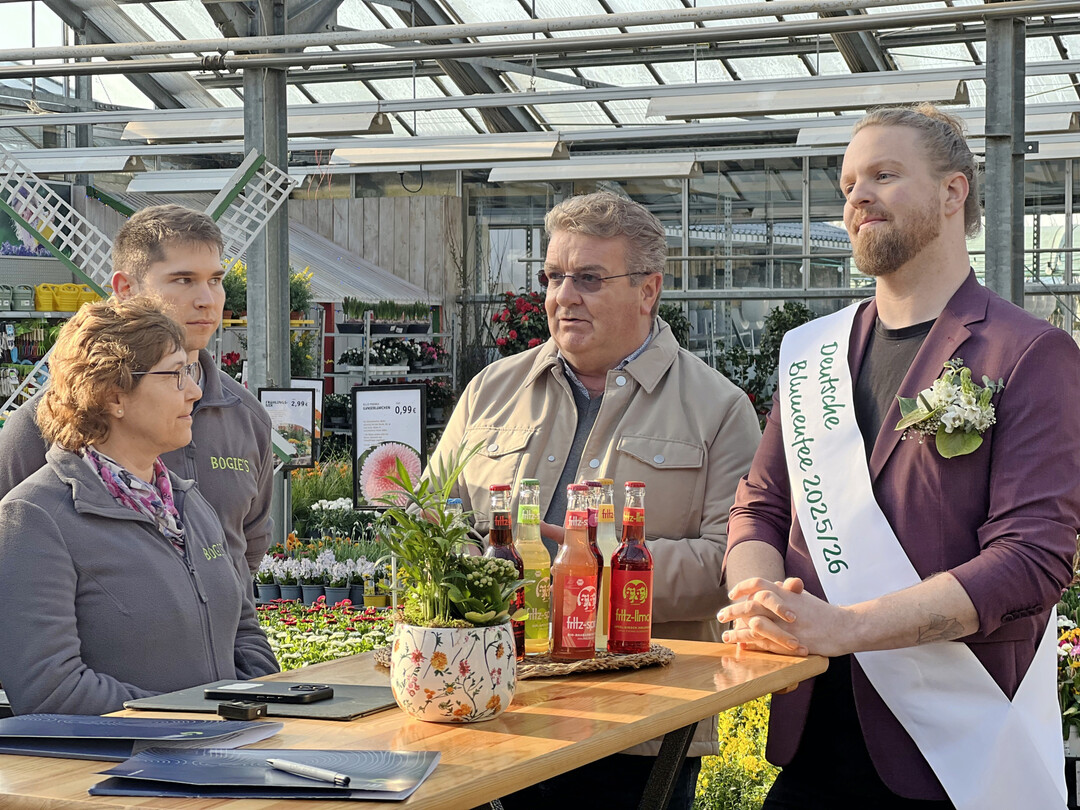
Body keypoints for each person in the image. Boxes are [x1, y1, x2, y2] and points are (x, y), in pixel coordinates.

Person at [721, 104, 1080, 809]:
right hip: (813, 748)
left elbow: (1031, 559)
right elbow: (758, 506)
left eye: (884, 175)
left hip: (953, 757)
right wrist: (760, 600)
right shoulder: (812, 354)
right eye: (849, 182)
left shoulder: (1031, 353)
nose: (857, 197)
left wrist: (847, 627)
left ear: (954, 193)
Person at [429, 191, 761, 808]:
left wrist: (584, 570)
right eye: (554, 276)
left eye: (588, 278)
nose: (563, 297)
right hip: (490, 699)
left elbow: (725, 565)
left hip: (636, 721)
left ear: (648, 290)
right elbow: (429, 516)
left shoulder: (719, 410)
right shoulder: (492, 390)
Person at [0, 297, 278, 716]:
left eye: (192, 371)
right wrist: (196, 717)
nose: (195, 391)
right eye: (176, 375)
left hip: (222, 761)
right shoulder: (35, 518)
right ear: (114, 396)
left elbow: (245, 631)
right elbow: (50, 690)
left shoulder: (187, 502)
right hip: (118, 775)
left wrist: (247, 712)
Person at [0, 205, 274, 575]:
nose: (207, 300)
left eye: (215, 279)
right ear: (125, 289)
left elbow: (248, 550)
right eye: (183, 280)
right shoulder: (45, 423)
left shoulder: (245, 416)